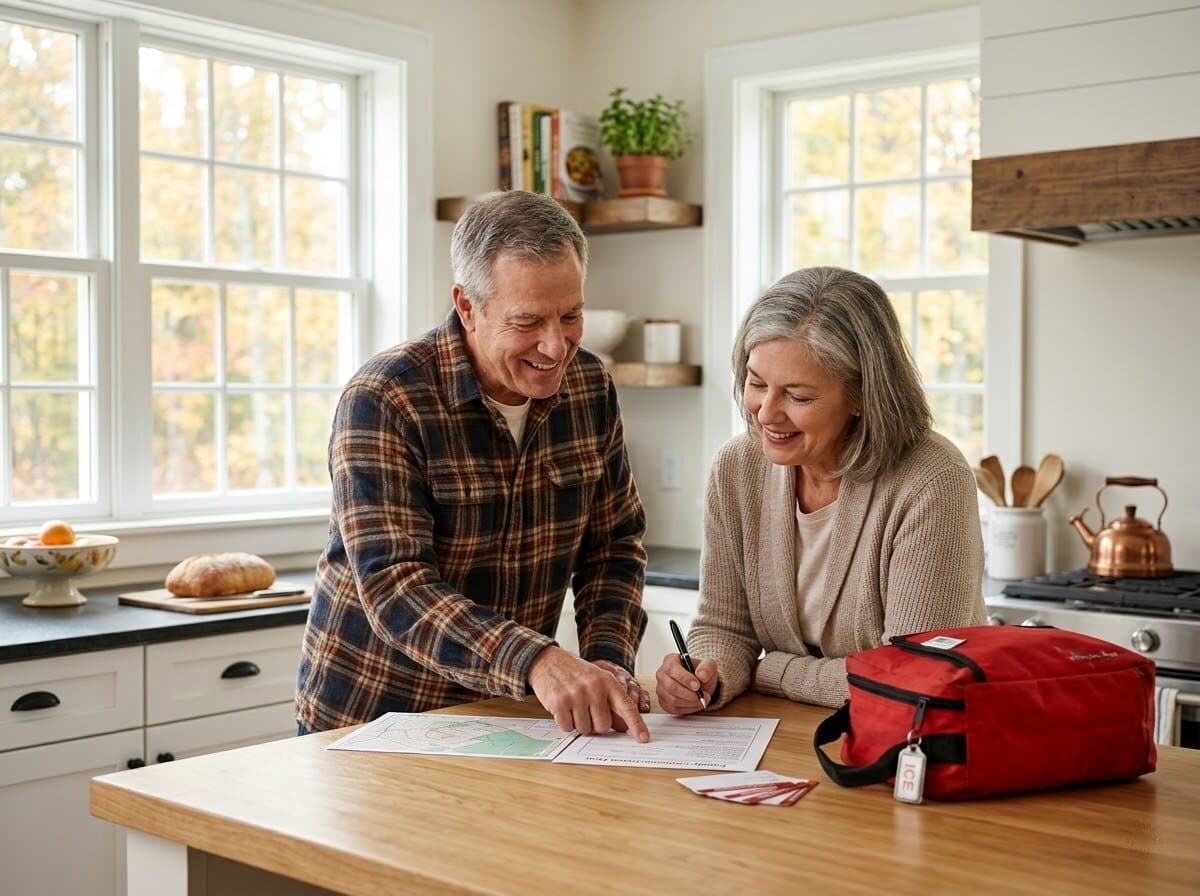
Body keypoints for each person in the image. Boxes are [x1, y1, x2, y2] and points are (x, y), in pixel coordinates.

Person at [297, 191, 650, 742]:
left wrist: (607, 660)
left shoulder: (589, 386)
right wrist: (539, 661)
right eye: (528, 321)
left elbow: (613, 545)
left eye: (571, 315)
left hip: (510, 718)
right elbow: (396, 584)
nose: (556, 346)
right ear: (467, 307)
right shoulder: (387, 397)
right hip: (376, 718)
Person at [656, 266, 986, 714]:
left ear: (862, 396)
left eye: (798, 396)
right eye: (756, 384)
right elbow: (725, 627)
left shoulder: (931, 478)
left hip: (903, 746)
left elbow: (912, 676)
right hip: (787, 732)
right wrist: (705, 674)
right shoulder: (738, 468)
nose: (766, 414)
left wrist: (772, 670)